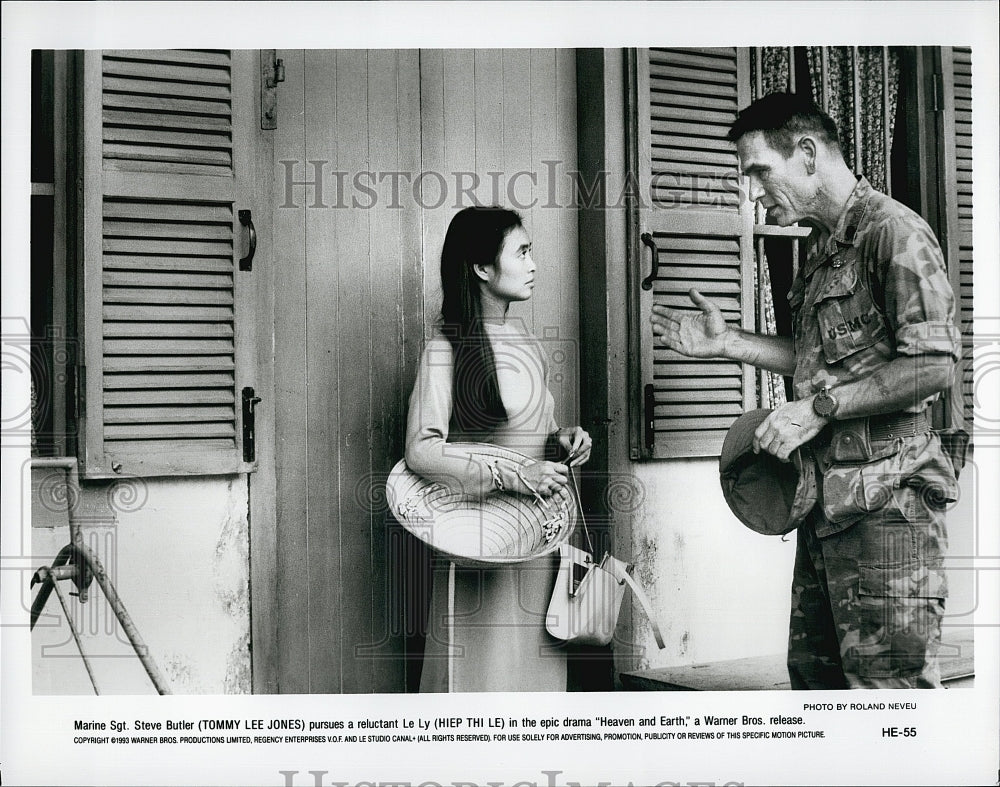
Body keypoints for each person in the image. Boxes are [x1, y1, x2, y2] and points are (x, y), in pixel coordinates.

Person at [651, 93, 960, 689]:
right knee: (818, 701)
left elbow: (933, 365)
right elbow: (820, 359)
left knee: (885, 710)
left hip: (890, 514)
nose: (754, 192)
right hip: (828, 510)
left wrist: (819, 409)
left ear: (809, 155)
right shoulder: (821, 248)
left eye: (760, 171)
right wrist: (731, 344)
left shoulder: (894, 234)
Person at [405, 206, 592, 692]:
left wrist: (563, 439)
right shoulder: (445, 347)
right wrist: (512, 475)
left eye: (532, 252)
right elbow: (421, 451)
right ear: (482, 268)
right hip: (480, 541)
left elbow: (535, 428)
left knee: (536, 681)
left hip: (538, 538)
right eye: (522, 252)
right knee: (480, 682)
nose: (533, 264)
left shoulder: (525, 338)